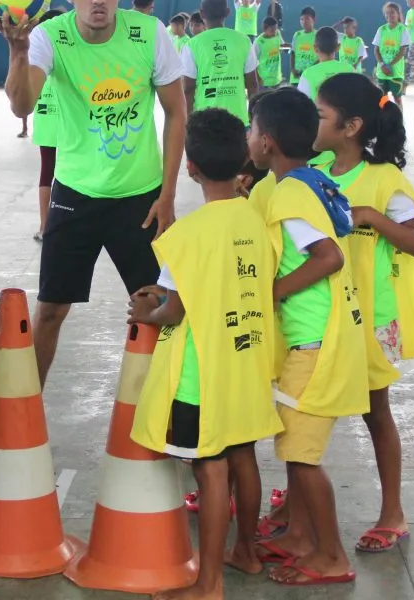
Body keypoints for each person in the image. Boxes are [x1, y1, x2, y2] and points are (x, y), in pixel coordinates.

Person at [130, 108, 282, 600]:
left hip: (203, 374)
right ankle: (248, 553)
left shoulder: (185, 237)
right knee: (245, 455)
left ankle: (209, 584)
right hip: (249, 359)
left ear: (189, 168)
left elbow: (173, 313)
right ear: (243, 158)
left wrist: (143, 313)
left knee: (210, 469)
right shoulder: (254, 218)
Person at [0, 0, 186, 389]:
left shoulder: (150, 34)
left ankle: (158, 417)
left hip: (140, 200)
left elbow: (176, 112)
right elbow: (22, 104)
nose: (98, 1)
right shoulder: (50, 36)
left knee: (155, 304)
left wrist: (167, 194)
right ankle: (25, 413)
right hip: (74, 195)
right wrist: (18, 54)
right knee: (49, 311)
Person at [247, 88, 365, 586]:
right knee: (292, 445)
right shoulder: (307, 181)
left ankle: (332, 556)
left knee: (301, 454)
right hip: (310, 336)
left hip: (315, 341)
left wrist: (272, 291)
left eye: (251, 131)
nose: (248, 139)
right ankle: (298, 535)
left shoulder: (291, 193)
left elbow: (328, 257)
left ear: (267, 142)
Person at [312, 72, 414, 554]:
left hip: (372, 316)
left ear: (352, 125)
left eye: (320, 115)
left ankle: (393, 512)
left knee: (374, 411)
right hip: (324, 311)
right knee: (309, 403)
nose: (312, 122)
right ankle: (298, 496)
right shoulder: (316, 170)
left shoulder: (385, 180)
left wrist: (369, 217)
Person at [182, 0, 259, 122]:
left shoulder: (192, 45)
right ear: (228, 12)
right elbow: (252, 84)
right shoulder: (243, 41)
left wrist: (188, 122)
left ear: (201, 14)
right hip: (238, 120)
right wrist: (252, 118)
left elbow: (188, 88)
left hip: (204, 121)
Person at [32, 9, 66, 242]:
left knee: (47, 173)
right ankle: (61, 226)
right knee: (68, 177)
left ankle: (45, 226)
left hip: (47, 125)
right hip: (68, 127)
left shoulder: (36, 58)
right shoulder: (69, 56)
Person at [296, 27, 353, 100]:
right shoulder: (350, 70)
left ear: (315, 48)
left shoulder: (308, 74)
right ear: (338, 47)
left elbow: (301, 104)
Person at [373, 2, 409, 110]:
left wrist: (390, 65)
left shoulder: (402, 30)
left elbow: (402, 51)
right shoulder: (381, 29)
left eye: (392, 12)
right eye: (387, 13)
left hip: (396, 73)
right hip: (382, 72)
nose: (389, 15)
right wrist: (382, 64)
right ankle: (383, 118)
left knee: (397, 98)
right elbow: (376, 49)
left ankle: (399, 120)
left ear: (398, 14)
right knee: (383, 98)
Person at [290, 6, 318, 84]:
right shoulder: (297, 35)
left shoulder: (318, 35)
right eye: (302, 19)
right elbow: (293, 53)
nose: (304, 22)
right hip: (296, 78)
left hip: (311, 78)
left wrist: (308, 71)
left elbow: (321, 58)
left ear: (314, 20)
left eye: (307, 19)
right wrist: (292, 69)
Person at [254, 17, 284, 88]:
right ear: (265, 29)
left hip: (277, 80)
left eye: (276, 29)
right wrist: (258, 79)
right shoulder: (258, 42)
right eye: (272, 30)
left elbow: (282, 46)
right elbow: (253, 63)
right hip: (264, 82)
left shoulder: (277, 34)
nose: (274, 32)